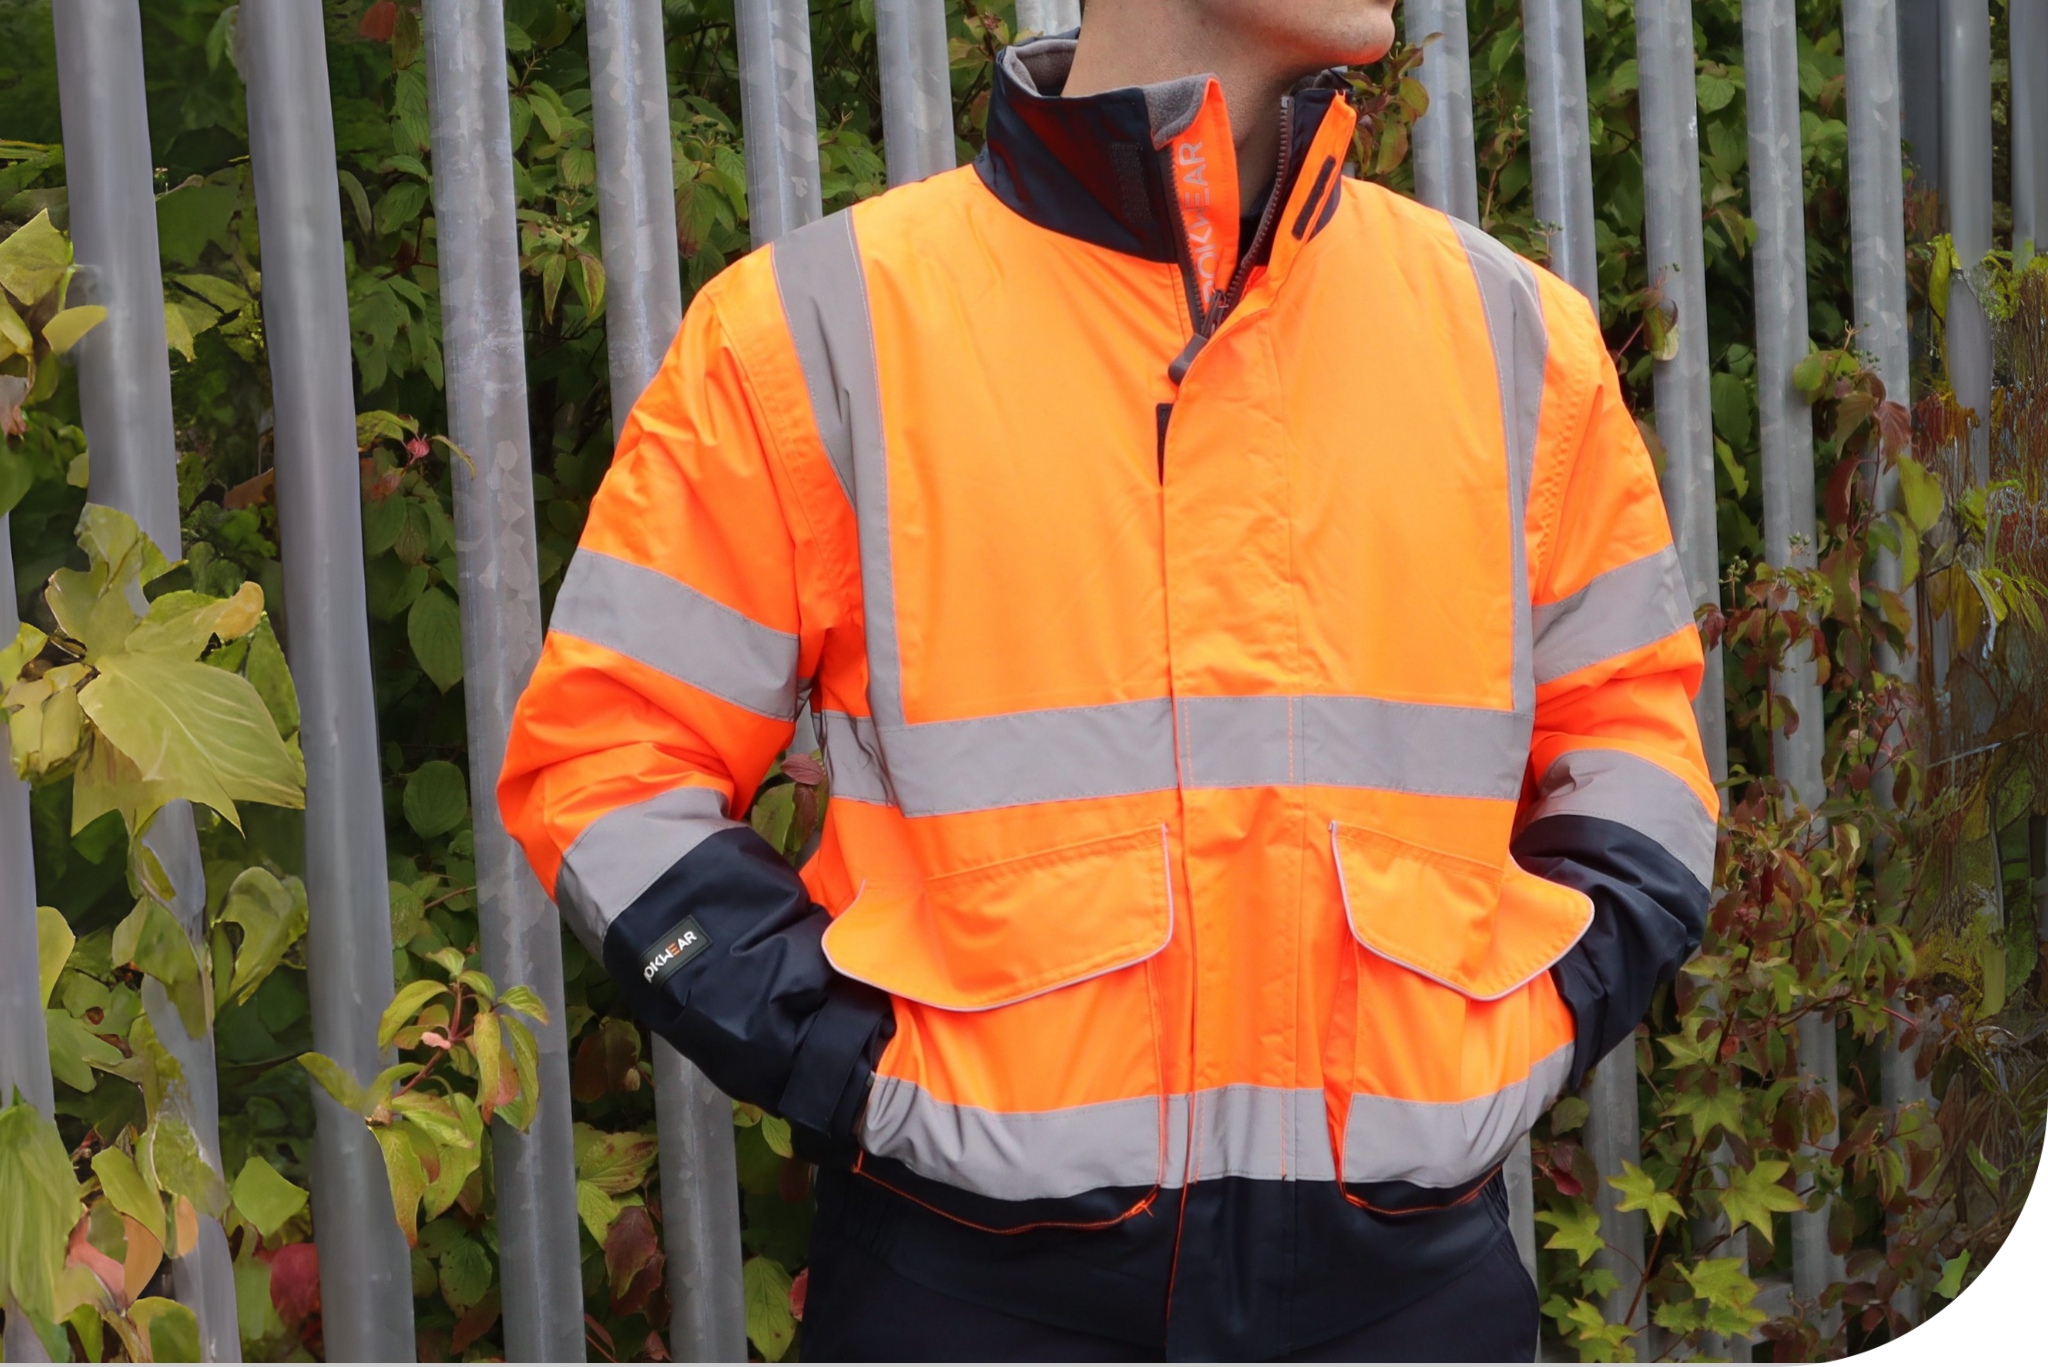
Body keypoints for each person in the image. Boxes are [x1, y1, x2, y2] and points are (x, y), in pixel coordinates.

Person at [500, 0, 1715, 1358]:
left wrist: (1526, 1032)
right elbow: (608, 761)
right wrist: (862, 1067)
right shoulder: (820, 331)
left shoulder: (1516, 344)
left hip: (1414, 1296)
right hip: (969, 1294)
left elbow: (1640, 755)